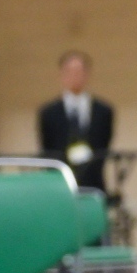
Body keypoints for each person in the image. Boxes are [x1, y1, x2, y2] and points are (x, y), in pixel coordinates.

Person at [39, 52, 114, 192]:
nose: (75, 76)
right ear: (62, 74)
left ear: (87, 74)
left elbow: (104, 147)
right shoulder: (48, 113)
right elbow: (48, 150)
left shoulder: (103, 111)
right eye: (70, 71)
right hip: (60, 185)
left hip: (94, 184)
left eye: (79, 71)